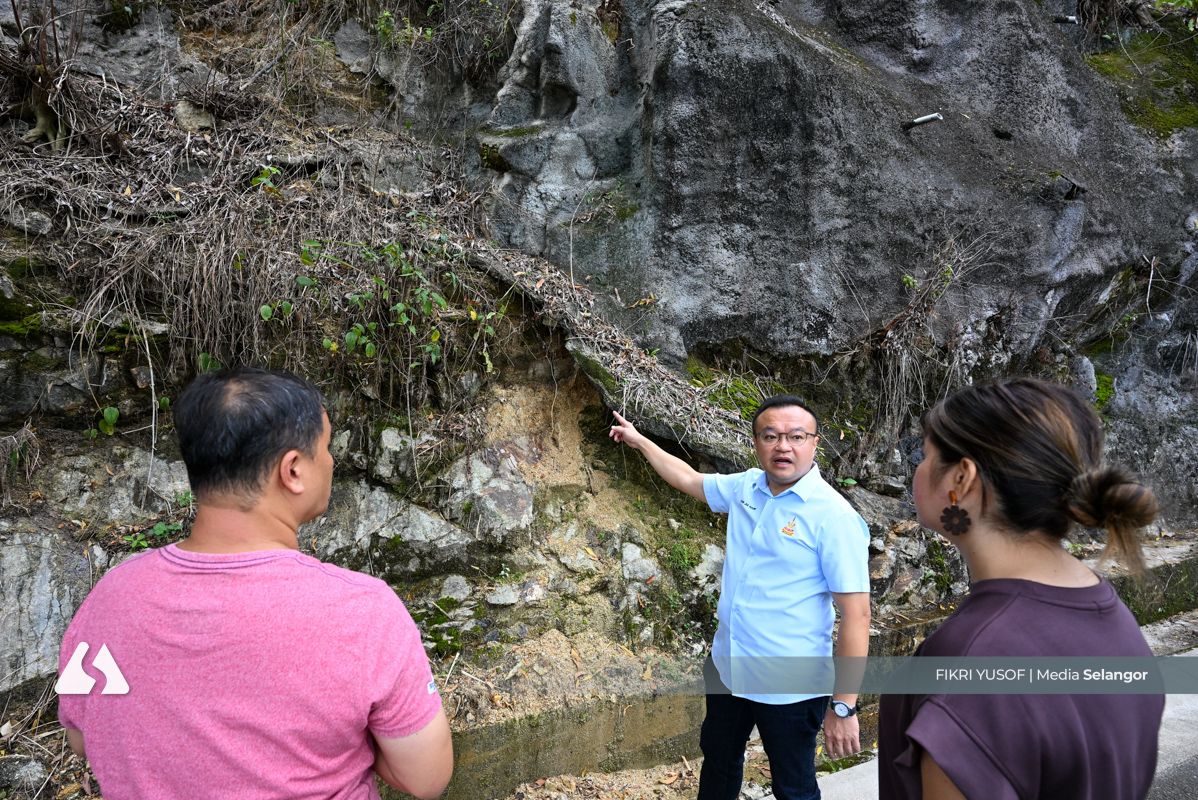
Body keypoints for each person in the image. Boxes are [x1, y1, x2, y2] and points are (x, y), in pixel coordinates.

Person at [56, 366, 453, 800]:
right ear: (294, 470)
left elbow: (81, 737)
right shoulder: (364, 611)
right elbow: (425, 778)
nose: (332, 461)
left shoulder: (110, 598)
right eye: (325, 447)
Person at [877, 377, 1164, 800]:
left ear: (961, 478)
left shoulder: (971, 661)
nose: (918, 470)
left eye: (925, 455)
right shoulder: (1111, 614)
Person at [609, 395, 871, 800]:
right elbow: (689, 479)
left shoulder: (833, 517)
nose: (783, 446)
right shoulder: (746, 486)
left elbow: (857, 615)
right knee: (718, 760)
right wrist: (639, 440)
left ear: (814, 444)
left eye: (795, 436)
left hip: (791, 686)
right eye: (771, 436)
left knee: (794, 784)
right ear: (756, 442)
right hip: (728, 667)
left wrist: (844, 706)